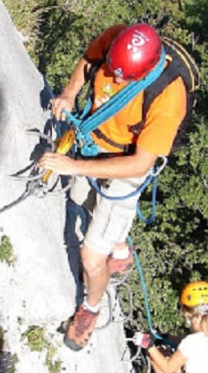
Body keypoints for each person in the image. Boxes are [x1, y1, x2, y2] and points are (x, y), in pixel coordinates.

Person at [39, 24, 187, 351]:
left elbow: (139, 164)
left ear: (146, 70)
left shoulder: (167, 96)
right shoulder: (117, 40)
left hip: (128, 165)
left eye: (125, 78)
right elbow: (90, 59)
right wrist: (69, 92)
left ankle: (90, 309)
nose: (116, 81)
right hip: (96, 139)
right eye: (115, 73)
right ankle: (120, 243)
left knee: (91, 256)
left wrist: (74, 166)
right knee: (80, 197)